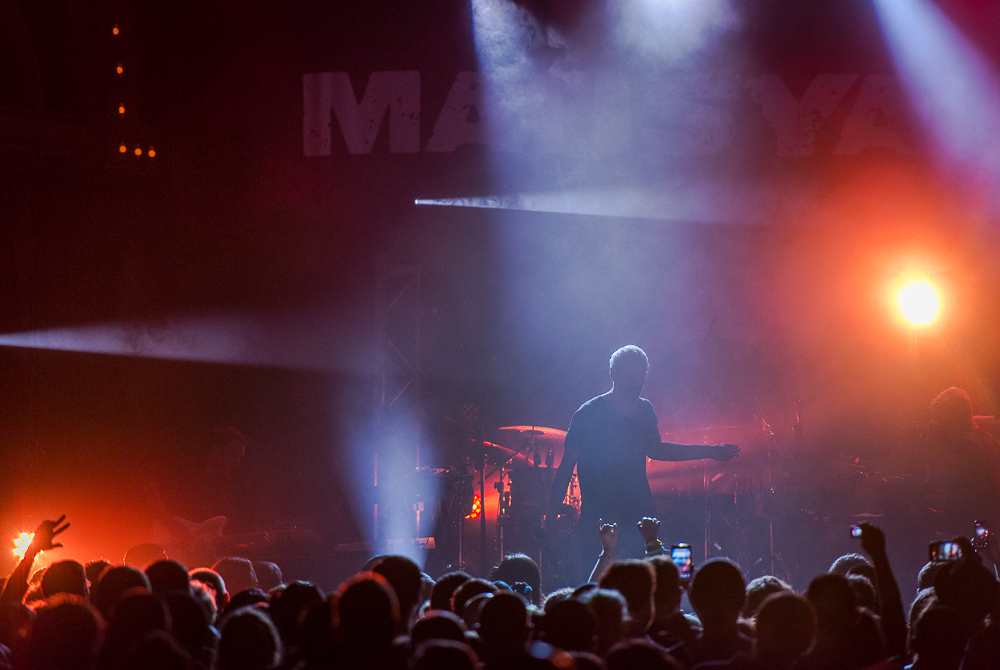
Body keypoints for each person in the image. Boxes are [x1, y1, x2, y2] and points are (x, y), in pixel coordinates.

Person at [545, 345, 740, 584]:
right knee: (596, 583)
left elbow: (657, 449)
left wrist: (709, 451)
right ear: (614, 374)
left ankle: (674, 607)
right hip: (599, 517)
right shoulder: (588, 413)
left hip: (639, 512)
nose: (637, 381)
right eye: (631, 375)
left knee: (659, 576)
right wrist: (551, 516)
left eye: (641, 376)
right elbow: (566, 468)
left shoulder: (645, 409)